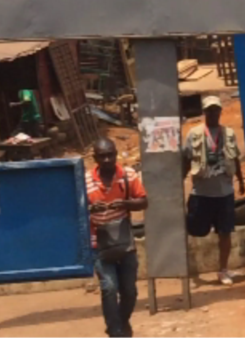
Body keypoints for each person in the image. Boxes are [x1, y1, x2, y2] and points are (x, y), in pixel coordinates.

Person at [182, 96, 245, 286]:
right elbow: (186, 159)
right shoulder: (193, 134)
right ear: (204, 112)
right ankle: (185, 267)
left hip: (224, 192)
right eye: (209, 110)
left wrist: (241, 181)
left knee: (225, 232)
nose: (213, 113)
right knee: (194, 229)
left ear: (220, 111)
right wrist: (181, 179)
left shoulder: (228, 134)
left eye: (216, 110)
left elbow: (235, 159)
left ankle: (223, 270)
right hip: (201, 192)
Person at [87, 138, 148, 338]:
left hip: (124, 242)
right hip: (99, 242)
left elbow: (144, 201)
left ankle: (121, 322)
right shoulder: (85, 181)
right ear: (95, 158)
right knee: (110, 288)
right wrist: (89, 209)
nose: (106, 160)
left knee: (130, 291)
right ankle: (115, 331)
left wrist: (125, 204)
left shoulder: (128, 175)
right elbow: (73, 211)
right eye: (102, 156)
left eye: (110, 155)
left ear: (115, 154)